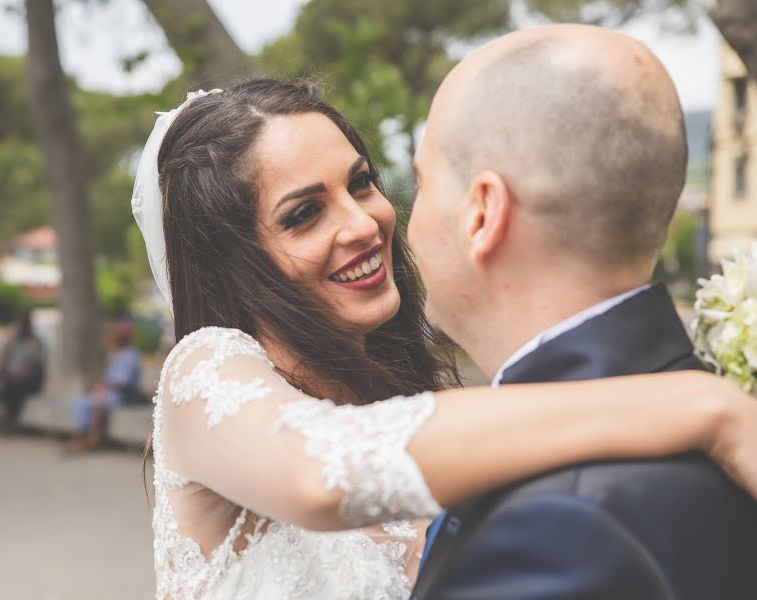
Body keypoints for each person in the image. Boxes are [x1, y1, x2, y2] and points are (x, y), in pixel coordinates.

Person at [131, 80, 757, 599]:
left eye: (361, 182)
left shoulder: (409, 402)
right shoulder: (202, 372)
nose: (364, 222)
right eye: (303, 214)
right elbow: (317, 477)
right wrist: (707, 410)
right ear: (234, 263)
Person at [408, 26, 757, 599]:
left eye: (422, 183)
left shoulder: (561, 526)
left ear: (482, 215)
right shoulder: (703, 406)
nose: (401, 220)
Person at [66, 320, 142, 452]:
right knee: (82, 401)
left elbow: (122, 382)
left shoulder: (130, 355)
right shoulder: (116, 354)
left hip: (123, 395)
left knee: (90, 403)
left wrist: (103, 389)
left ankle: (83, 438)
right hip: (111, 392)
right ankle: (82, 437)